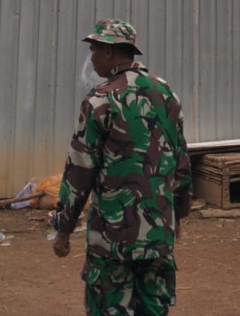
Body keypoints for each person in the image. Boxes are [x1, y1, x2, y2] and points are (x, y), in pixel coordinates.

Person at [52, 19, 192, 316]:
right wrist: (178, 214)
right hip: (157, 233)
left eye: (94, 49)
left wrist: (63, 228)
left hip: (112, 238)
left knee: (110, 307)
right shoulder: (166, 94)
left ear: (109, 52)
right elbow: (181, 160)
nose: (91, 57)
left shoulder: (101, 99)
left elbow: (80, 169)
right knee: (154, 307)